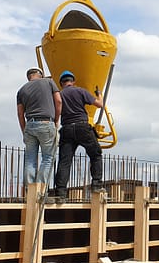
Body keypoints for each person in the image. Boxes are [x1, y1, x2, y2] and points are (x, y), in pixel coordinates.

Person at [53, 70, 104, 199]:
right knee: (95, 153)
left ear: (61, 83)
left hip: (67, 129)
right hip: (82, 127)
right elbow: (99, 104)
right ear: (73, 81)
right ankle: (97, 184)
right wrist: (99, 95)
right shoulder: (80, 91)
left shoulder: (59, 95)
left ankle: (60, 192)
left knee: (64, 161)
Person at [16, 67, 61, 187]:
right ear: (40, 75)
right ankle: (39, 190)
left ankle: (30, 190)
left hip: (30, 124)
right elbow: (59, 101)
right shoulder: (49, 82)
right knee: (48, 158)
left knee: (30, 160)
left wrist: (24, 130)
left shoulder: (21, 90)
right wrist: (56, 120)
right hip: (46, 123)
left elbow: (20, 114)